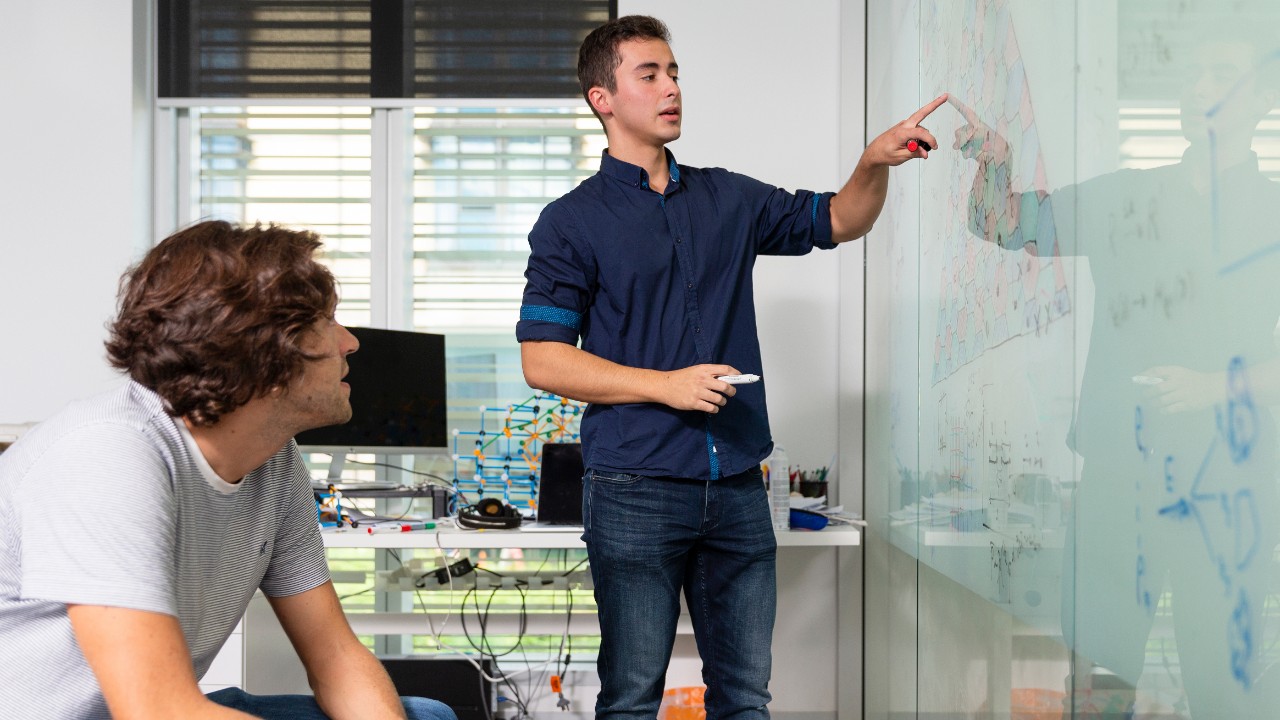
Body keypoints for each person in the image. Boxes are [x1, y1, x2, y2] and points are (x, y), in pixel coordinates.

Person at [516, 15, 944, 720]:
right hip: (634, 489)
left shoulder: (729, 198)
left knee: (745, 700)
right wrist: (667, 386)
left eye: (674, 72)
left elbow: (841, 219)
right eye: (649, 74)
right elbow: (543, 360)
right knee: (632, 700)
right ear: (603, 98)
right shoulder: (570, 223)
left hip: (739, 485)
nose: (671, 87)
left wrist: (873, 163)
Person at [0, 221, 457, 720]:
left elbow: (334, 657)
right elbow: (157, 711)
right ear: (264, 355)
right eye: (327, 321)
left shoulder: (274, 461)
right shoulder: (106, 454)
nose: (350, 343)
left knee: (425, 715)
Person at [955, 19, 1280, 716]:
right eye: (1194, 75)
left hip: (1230, 484)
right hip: (1119, 480)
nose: (1200, 88)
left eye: (1222, 74)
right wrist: (996, 162)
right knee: (1099, 685)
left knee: (1223, 691)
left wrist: (1215, 388)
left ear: (1263, 100)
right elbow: (1001, 224)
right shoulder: (1128, 197)